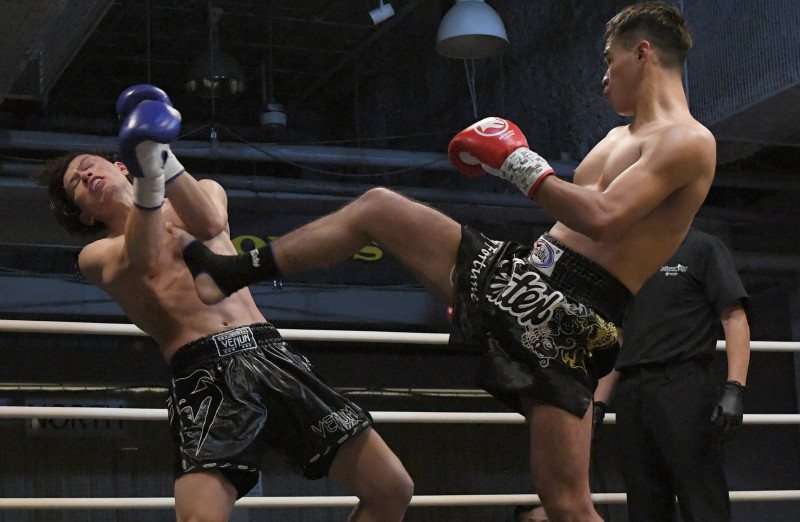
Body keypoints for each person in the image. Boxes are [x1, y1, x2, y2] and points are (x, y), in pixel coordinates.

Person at [170, 3, 715, 520]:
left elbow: (602, 218)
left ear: (642, 52)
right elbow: (570, 224)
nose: (603, 77)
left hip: (569, 319)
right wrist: (482, 299)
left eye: (609, 60)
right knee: (379, 209)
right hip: (526, 276)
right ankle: (233, 271)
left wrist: (518, 163)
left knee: (567, 506)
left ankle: (233, 271)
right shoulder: (617, 137)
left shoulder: (689, 141)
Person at [35, 85, 413, 522]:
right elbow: (143, 254)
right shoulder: (96, 255)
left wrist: (158, 156)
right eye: (76, 184)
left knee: (391, 489)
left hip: (269, 351)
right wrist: (149, 175)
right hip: (205, 375)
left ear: (120, 164)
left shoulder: (201, 189)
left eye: (87, 166)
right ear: (84, 214)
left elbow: (210, 222)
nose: (85, 176)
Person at [593, 228, 750, 522]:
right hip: (632, 392)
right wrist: (599, 403)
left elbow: (734, 317)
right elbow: (622, 336)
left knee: (701, 500)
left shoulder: (701, 247)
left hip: (684, 385)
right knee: (644, 503)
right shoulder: (628, 254)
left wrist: (735, 387)